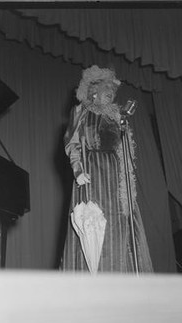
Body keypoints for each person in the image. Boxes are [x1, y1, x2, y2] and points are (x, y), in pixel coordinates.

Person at [61, 65, 154, 273]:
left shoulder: (116, 116)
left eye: (113, 90)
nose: (111, 92)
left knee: (120, 223)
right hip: (94, 172)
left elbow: (124, 147)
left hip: (116, 174)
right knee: (97, 225)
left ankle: (124, 274)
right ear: (93, 91)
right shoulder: (82, 111)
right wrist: (78, 170)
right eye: (106, 88)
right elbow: (72, 141)